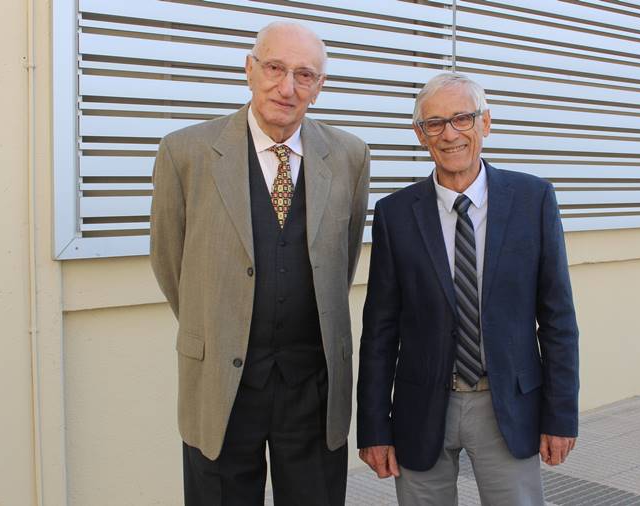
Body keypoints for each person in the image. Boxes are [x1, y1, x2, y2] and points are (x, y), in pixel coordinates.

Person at [150, 21, 370, 506]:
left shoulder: (350, 157)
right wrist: (215, 328)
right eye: (274, 68)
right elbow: (169, 261)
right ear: (249, 69)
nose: (287, 87)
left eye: (304, 75)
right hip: (222, 382)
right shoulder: (185, 152)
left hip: (312, 384)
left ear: (319, 86)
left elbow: (342, 259)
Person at [356, 72, 579, 505]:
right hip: (420, 410)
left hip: (507, 406)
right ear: (420, 134)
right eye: (435, 123)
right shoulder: (394, 214)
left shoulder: (533, 200)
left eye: (462, 118)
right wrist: (374, 427)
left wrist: (561, 415)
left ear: (485, 123)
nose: (450, 134)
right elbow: (379, 331)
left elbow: (558, 321)